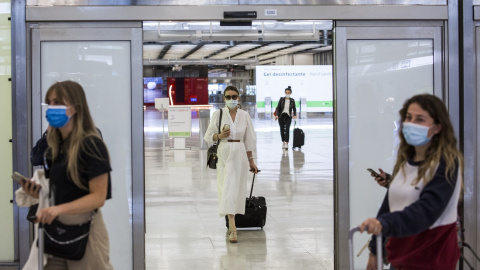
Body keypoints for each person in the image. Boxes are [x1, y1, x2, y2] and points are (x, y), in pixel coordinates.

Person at [359, 94, 463, 270]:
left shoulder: (447, 163)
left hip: (432, 260)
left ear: (437, 127)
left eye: (420, 119)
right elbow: (388, 207)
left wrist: (385, 224)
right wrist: (374, 251)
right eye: (408, 118)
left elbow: (425, 210)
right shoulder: (407, 160)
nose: (411, 123)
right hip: (401, 257)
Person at [21, 80, 113, 269]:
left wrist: (58, 210)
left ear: (75, 108)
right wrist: (36, 193)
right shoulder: (56, 146)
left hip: (86, 232)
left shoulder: (92, 145)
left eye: (57, 102)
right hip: (55, 231)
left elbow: (98, 197)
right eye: (50, 102)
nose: (51, 108)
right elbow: (60, 189)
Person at [204, 85, 258, 243]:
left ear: (238, 98)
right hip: (224, 153)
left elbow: (249, 140)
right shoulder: (218, 114)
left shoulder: (244, 115)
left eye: (234, 97)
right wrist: (219, 135)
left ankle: (233, 220)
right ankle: (232, 227)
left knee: (238, 189)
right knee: (227, 188)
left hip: (240, 154)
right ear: (224, 98)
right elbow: (208, 136)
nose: (231, 100)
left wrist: (251, 161)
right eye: (228, 97)